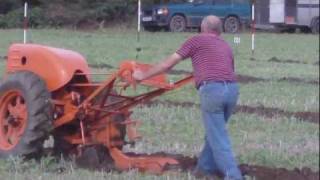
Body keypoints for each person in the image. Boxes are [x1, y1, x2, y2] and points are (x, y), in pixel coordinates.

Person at [132, 15, 242, 180]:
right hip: (232, 90)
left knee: (218, 137)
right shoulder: (225, 45)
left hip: (213, 90)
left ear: (202, 28)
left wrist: (143, 76)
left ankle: (233, 176)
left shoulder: (196, 40)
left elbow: (168, 64)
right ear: (219, 30)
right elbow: (229, 69)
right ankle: (204, 169)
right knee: (214, 132)